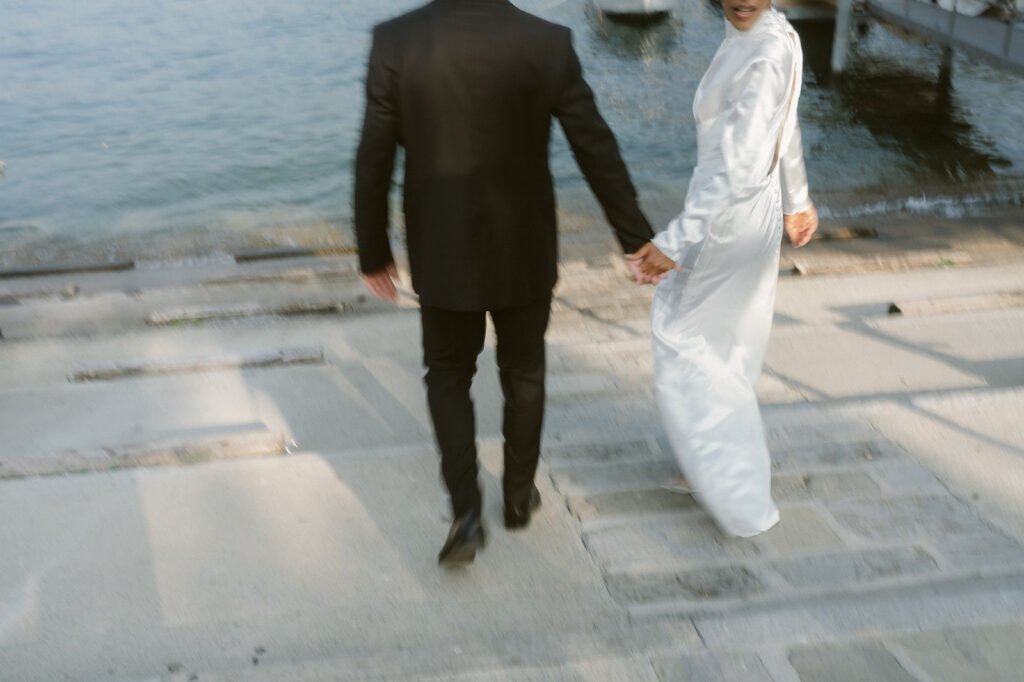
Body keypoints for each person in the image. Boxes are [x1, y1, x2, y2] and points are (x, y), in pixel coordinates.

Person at [354, 0, 656, 565]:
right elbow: (593, 143)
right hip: (524, 246)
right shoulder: (547, 42)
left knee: (447, 373)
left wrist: (373, 250)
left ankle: (467, 512)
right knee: (524, 371)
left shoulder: (396, 40)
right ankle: (518, 498)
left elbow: (373, 155)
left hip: (441, 250)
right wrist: (634, 236)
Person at [628, 0, 819, 537]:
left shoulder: (764, 49)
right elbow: (787, 119)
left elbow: (736, 162)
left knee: (681, 335)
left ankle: (732, 483)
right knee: (729, 341)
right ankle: (703, 465)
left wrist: (673, 240)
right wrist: (795, 198)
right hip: (750, 212)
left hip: (725, 219)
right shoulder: (775, 32)